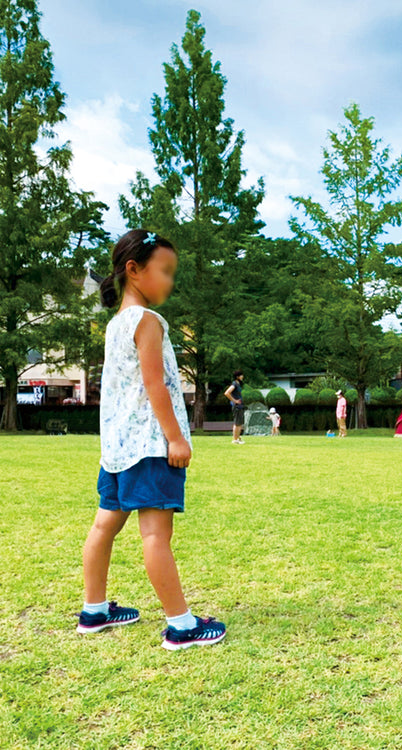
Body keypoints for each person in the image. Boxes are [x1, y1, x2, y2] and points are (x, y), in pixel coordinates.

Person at [78, 229, 226, 651]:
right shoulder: (147, 321)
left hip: (117, 449)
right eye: (165, 271)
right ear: (133, 270)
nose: (170, 281)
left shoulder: (115, 325)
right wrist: (176, 439)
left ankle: (94, 610)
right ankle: (182, 625)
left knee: (103, 525)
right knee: (155, 536)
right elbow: (155, 384)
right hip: (148, 446)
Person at [224, 370, 245, 445]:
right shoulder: (234, 384)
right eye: (241, 375)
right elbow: (227, 393)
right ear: (237, 376)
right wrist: (234, 401)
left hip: (240, 406)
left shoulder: (238, 384)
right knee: (237, 423)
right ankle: (235, 439)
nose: (242, 377)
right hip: (237, 406)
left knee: (239, 423)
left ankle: (238, 438)